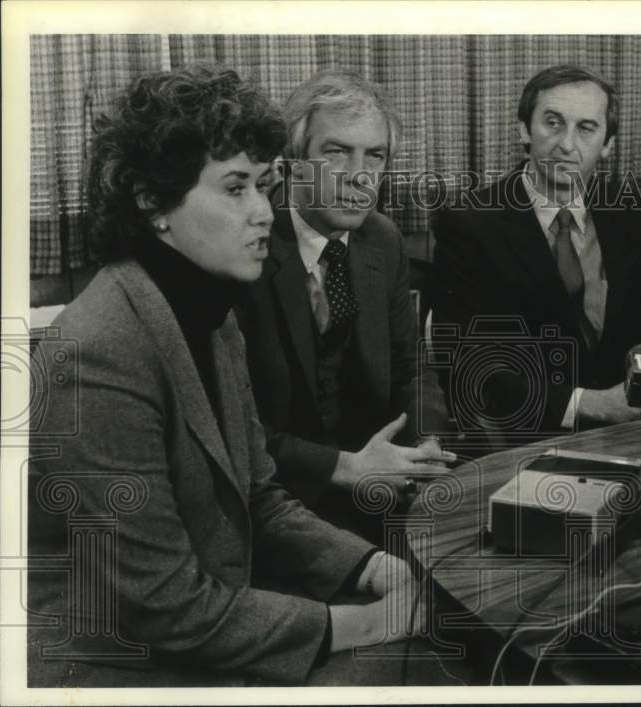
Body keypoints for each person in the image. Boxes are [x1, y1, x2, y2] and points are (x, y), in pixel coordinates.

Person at [27, 67, 458, 687]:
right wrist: (359, 623)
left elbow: (260, 499)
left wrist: (370, 568)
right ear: (153, 202)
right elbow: (165, 605)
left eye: (263, 185)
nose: (262, 211)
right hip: (108, 660)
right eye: (235, 189)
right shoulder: (96, 353)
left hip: (215, 608)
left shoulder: (211, 313)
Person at [237, 70, 453, 524]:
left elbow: (411, 367)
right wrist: (343, 467)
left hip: (381, 485)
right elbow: (237, 427)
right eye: (336, 153)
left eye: (375, 156)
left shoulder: (382, 239)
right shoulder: (246, 244)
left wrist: (425, 445)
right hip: (276, 498)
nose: (359, 178)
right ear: (294, 161)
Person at [432, 64, 641, 445]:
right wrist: (588, 404)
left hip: (636, 428)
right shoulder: (469, 223)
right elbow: (469, 362)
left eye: (586, 128)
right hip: (530, 435)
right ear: (524, 130)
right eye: (553, 123)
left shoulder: (635, 214)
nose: (567, 144)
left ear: (607, 144)